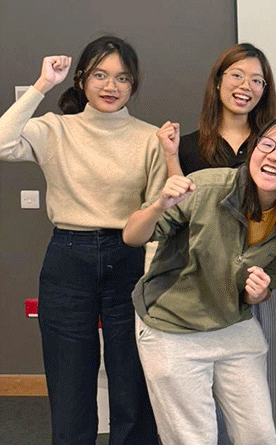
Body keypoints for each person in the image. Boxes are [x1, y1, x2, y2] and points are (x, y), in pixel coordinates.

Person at [0, 36, 162, 445]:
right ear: (81, 80)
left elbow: (161, 216)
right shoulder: (55, 128)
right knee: (69, 383)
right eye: (101, 75)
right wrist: (41, 85)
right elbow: (2, 143)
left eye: (122, 78)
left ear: (133, 84)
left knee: (133, 382)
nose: (111, 86)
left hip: (129, 258)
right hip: (68, 257)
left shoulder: (151, 138)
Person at [125, 117, 276, 445]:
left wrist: (258, 294)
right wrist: (159, 204)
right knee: (194, 438)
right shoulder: (208, 186)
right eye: (267, 145)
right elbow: (132, 235)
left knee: (260, 435)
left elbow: (265, 286)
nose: (274, 156)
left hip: (231, 322)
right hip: (172, 324)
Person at [155, 43, 276, 445]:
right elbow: (176, 208)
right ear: (218, 81)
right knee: (198, 409)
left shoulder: (274, 143)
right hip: (198, 287)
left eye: (257, 79)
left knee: (262, 399)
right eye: (236, 75)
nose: (246, 86)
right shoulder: (187, 144)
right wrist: (169, 158)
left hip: (258, 281)